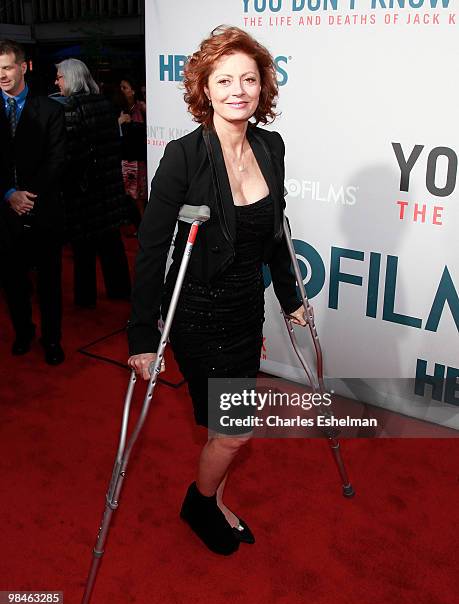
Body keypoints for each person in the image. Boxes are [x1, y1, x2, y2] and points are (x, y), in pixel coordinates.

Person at [127, 26, 307, 555]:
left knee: (225, 429)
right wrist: (142, 334)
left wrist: (292, 297)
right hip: (199, 312)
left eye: (249, 79)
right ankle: (200, 502)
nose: (238, 90)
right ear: (205, 88)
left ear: (262, 88)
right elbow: (152, 249)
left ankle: (216, 502)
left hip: (245, 308)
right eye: (225, 79)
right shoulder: (184, 156)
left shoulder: (270, 146)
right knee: (235, 431)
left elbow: (274, 232)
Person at [0, 40, 66, 365]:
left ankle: (52, 340)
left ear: (23, 67)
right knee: (12, 281)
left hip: (43, 210)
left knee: (50, 283)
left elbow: (57, 160)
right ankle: (23, 333)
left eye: (7, 67)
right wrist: (8, 195)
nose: (2, 75)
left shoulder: (51, 109)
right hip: (4, 213)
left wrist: (26, 197)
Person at [54, 59, 131, 308]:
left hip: (84, 191)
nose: (57, 82)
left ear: (72, 78)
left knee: (83, 248)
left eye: (60, 77)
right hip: (108, 186)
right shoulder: (105, 104)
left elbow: (71, 154)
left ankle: (85, 299)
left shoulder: (71, 108)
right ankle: (120, 290)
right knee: (111, 244)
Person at [118, 78, 148, 221]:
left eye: (125, 87)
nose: (122, 90)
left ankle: (144, 225)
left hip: (138, 158)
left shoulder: (140, 108)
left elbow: (145, 132)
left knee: (140, 195)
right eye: (121, 87)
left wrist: (131, 124)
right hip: (126, 157)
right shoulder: (120, 109)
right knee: (131, 193)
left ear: (133, 91)